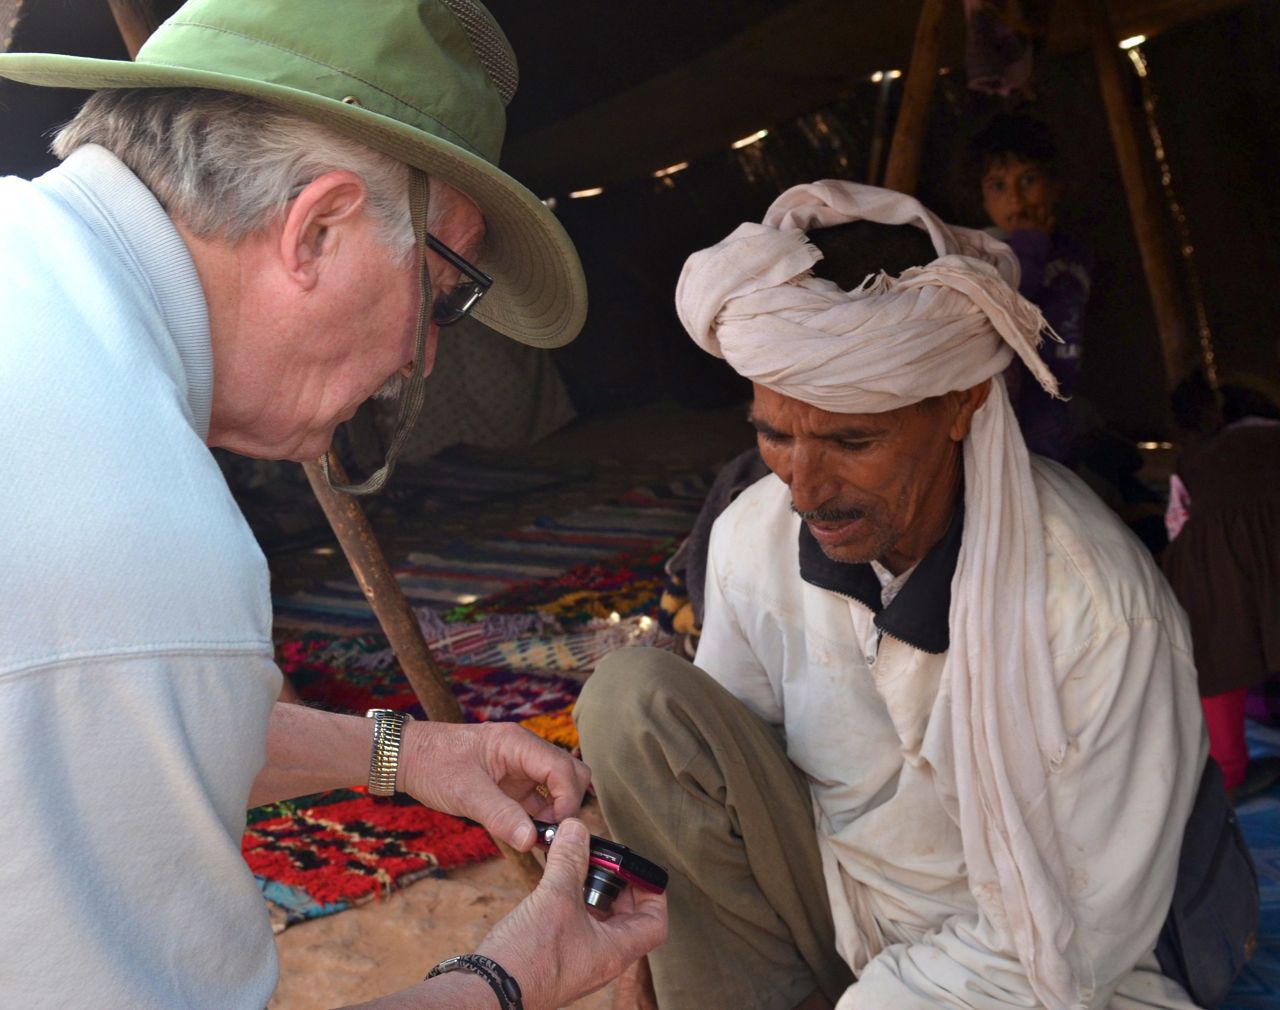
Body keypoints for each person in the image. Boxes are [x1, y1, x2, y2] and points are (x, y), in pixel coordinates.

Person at [0, 1, 664, 1007]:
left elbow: (107, 712)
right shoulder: (140, 533)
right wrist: (508, 974)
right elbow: (123, 663)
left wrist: (403, 751)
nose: (422, 356)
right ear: (316, 229)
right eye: (443, 294)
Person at [575, 181, 1248, 1010]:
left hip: (1039, 971)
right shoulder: (755, 534)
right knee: (633, 702)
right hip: (836, 898)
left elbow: (1074, 944)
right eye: (774, 434)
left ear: (961, 402)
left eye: (852, 441)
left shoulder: (1096, 607)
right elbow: (725, 767)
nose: (805, 487)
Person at [1164, 374, 1280, 803]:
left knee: (1218, 662)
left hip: (1217, 580)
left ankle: (1229, 773)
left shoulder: (1195, 460)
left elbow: (1177, 526)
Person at [969, 112, 1092, 465]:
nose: (1016, 199)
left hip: (1061, 397)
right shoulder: (986, 253)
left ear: (1056, 185)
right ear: (982, 197)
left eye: (1029, 179)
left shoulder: (1075, 250)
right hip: (1014, 408)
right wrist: (1030, 246)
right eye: (998, 186)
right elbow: (1008, 307)